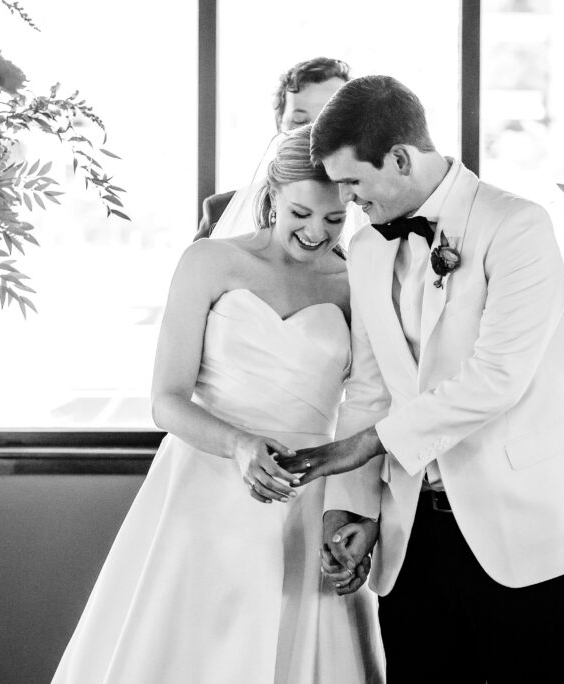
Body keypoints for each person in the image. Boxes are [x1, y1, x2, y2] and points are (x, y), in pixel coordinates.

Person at [276, 76, 564, 683]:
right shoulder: (365, 251)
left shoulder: (518, 227)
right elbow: (369, 387)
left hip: (528, 530)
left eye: (354, 183)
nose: (350, 203)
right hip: (413, 539)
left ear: (399, 159)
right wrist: (351, 510)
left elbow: (497, 379)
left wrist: (365, 445)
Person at [52, 126, 383, 684]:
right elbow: (166, 400)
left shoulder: (354, 284)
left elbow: (368, 406)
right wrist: (240, 444)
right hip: (203, 489)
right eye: (301, 212)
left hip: (307, 498)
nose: (316, 232)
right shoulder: (208, 262)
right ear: (272, 194)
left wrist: (355, 512)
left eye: (335, 219)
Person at [194, 57, 350, 240]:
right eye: (300, 122)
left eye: (330, 122)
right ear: (279, 125)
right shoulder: (221, 210)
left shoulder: (372, 210)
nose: (312, 135)